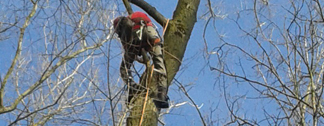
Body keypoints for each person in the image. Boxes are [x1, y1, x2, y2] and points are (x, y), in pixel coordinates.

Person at [113, 12, 169, 108]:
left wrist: (130, 50)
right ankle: (162, 93)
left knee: (124, 68)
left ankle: (133, 87)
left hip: (137, 35)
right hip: (151, 33)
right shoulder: (138, 16)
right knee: (159, 63)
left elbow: (127, 43)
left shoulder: (124, 22)